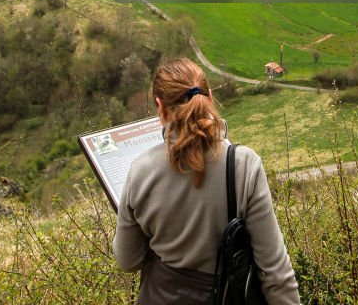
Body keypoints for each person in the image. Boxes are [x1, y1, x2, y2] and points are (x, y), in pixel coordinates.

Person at [113, 57, 302, 304]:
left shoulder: (141, 171)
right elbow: (275, 271)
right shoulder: (244, 165)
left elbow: (128, 261)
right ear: (209, 97)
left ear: (160, 107)